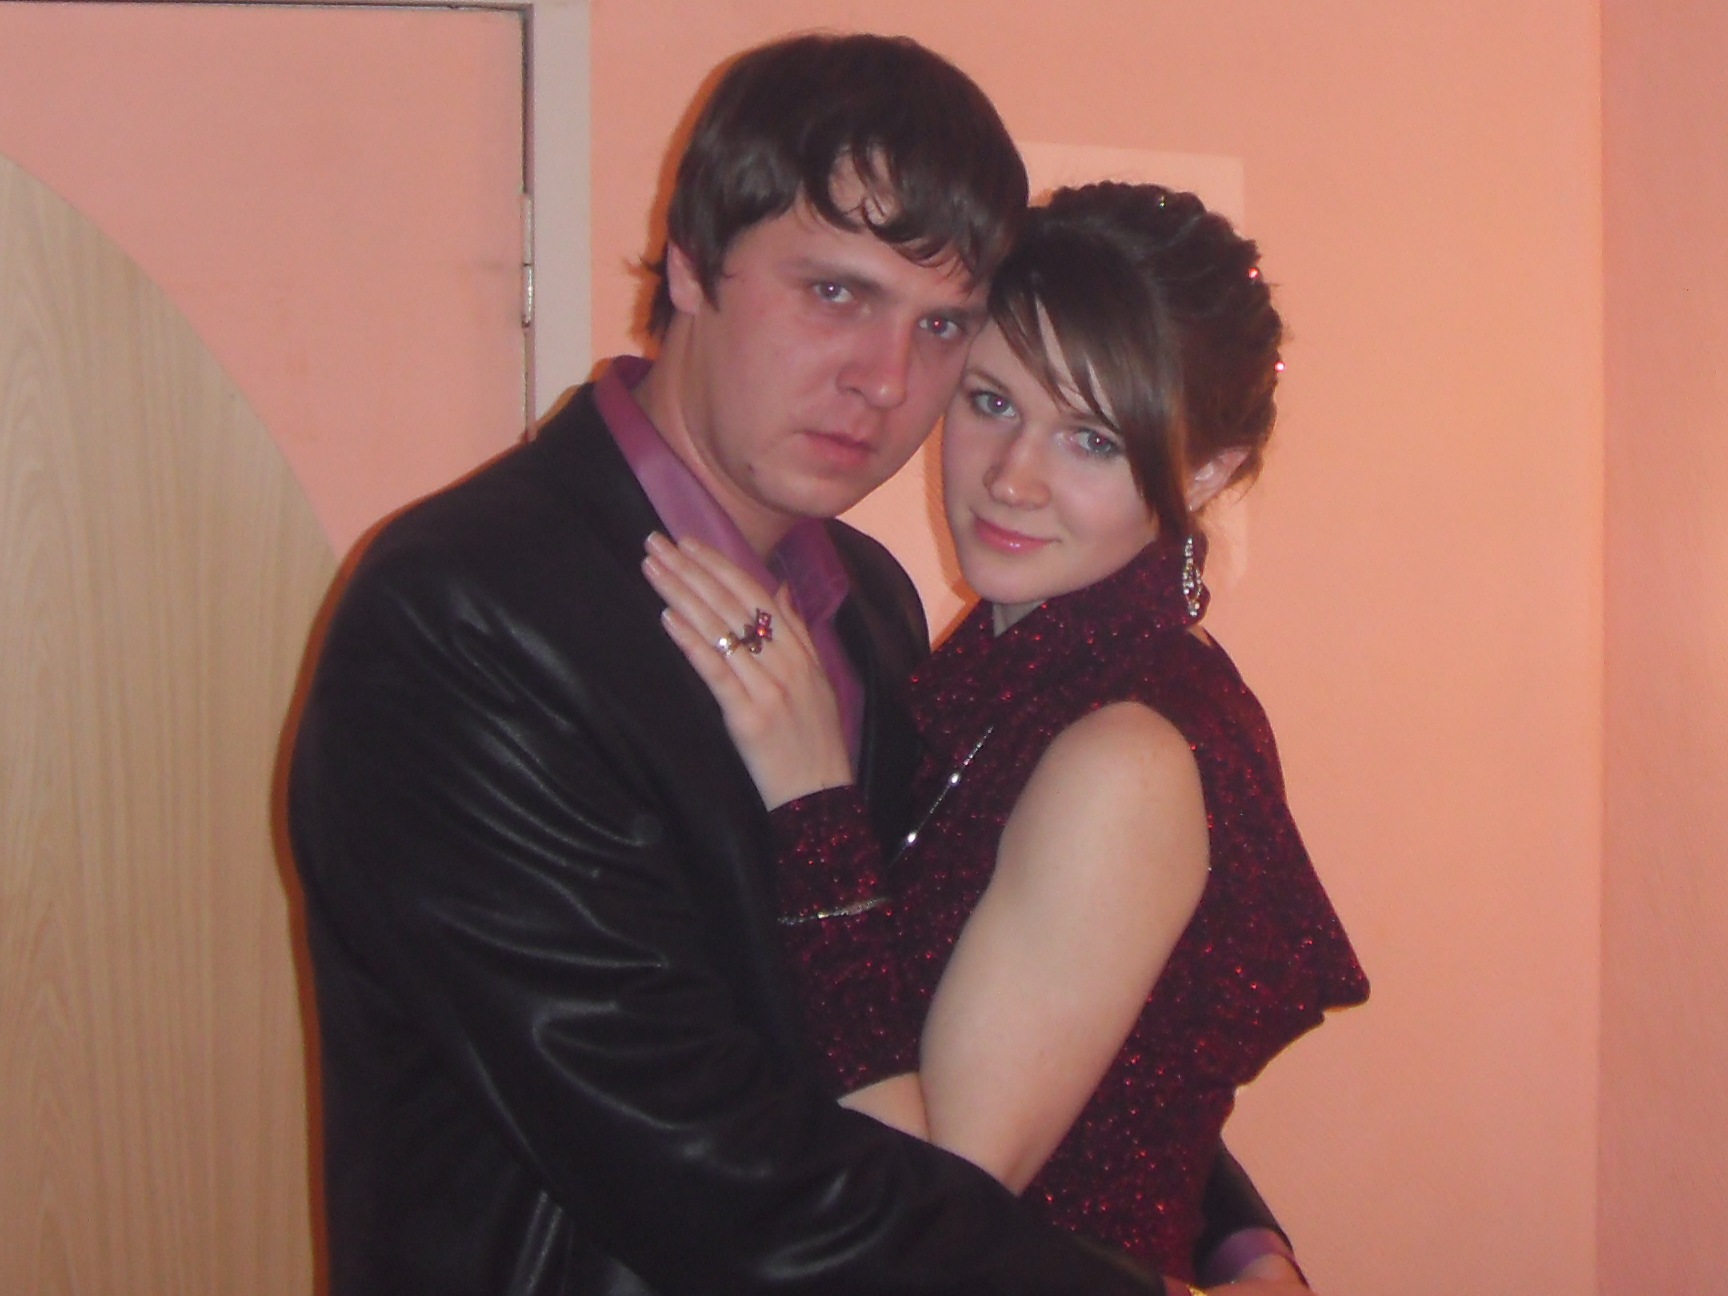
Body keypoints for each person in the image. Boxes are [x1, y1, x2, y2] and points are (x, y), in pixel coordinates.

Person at [288, 32, 1304, 1296]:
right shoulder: (467, 617)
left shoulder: (866, 603)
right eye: (836, 293)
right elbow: (702, 1169)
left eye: (942, 326)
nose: (886, 380)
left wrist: (1227, 1231)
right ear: (691, 262)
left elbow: (962, 991)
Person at [644, 182, 1369, 1288]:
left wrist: (809, 797)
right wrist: (1241, 1243)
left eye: (1090, 438)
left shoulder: (1128, 753)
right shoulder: (1007, 663)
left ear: (1204, 470)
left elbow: (930, 1219)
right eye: (991, 402)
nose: (1011, 477)